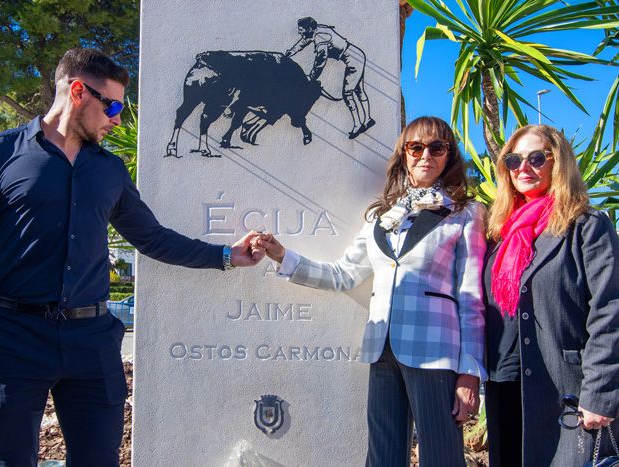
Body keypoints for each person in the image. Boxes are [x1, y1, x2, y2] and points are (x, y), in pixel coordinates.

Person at [0, 48, 265, 466]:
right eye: (113, 105)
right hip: (14, 339)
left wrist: (226, 255)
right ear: (77, 91)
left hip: (92, 343)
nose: (118, 119)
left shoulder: (109, 171)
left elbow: (153, 238)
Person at [253, 116, 486, 466]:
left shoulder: (464, 214)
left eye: (437, 148)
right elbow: (343, 274)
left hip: (435, 352)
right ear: (404, 154)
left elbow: (471, 298)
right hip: (382, 350)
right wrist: (284, 257)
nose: (426, 156)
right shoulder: (383, 218)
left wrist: (470, 371)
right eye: (416, 147)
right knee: (382, 457)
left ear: (449, 156)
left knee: (442, 457)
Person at [484, 124, 619, 467]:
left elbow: (610, 308)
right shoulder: (499, 233)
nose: (523, 168)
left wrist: (600, 393)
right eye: (514, 160)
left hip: (566, 390)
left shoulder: (587, 225)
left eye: (536, 158)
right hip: (506, 386)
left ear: (557, 162)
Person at [285, 16, 375, 139]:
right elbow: (303, 42)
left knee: (348, 93)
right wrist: (291, 52)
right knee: (359, 90)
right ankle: (367, 119)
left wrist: (311, 77)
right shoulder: (316, 31)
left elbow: (320, 61)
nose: (299, 32)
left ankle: (358, 125)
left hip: (353, 60)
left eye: (301, 30)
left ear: (310, 28)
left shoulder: (321, 37)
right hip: (357, 56)